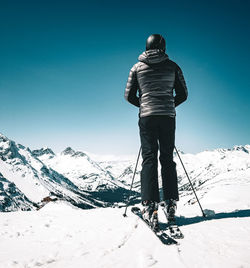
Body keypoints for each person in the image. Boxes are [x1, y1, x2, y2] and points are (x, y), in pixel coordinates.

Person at [124, 34, 188, 230]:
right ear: (163, 47)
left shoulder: (137, 67)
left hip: (147, 117)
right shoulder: (173, 67)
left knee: (149, 157)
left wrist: (144, 105)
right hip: (168, 117)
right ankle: (170, 203)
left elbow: (128, 95)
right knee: (167, 158)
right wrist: (169, 104)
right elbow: (183, 94)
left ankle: (149, 205)